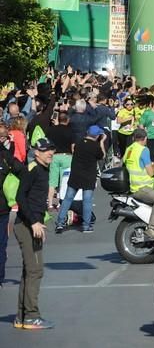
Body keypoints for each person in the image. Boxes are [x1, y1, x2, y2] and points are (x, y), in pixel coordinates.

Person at [14, 138, 56, 330]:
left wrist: (40, 222)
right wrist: (33, 223)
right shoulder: (32, 169)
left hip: (32, 224)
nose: (50, 153)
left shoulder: (43, 169)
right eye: (46, 150)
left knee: (28, 271)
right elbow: (20, 196)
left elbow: (35, 198)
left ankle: (22, 316)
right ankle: (31, 316)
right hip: (26, 225)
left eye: (51, 150)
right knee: (35, 271)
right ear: (36, 152)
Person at [55, 125, 105, 234]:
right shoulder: (95, 146)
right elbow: (102, 156)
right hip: (88, 177)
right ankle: (86, 226)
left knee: (68, 198)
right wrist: (101, 142)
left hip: (76, 175)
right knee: (87, 201)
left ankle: (60, 222)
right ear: (97, 136)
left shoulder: (79, 143)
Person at [124, 128, 154, 239]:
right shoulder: (144, 150)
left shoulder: (129, 149)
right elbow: (150, 172)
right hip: (142, 187)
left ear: (134, 138)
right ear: (145, 138)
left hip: (133, 186)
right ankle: (151, 228)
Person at [0, 124, 26, 288]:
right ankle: (0, 277)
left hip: (2, 207)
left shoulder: (5, 155)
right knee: (1, 244)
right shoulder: (5, 156)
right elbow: (21, 170)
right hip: (2, 206)